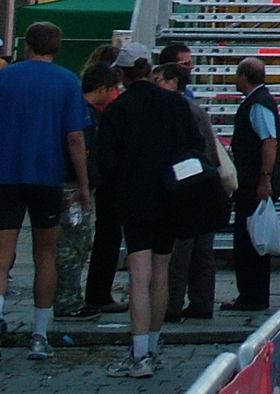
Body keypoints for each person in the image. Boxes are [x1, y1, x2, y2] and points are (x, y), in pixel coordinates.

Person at [0, 22, 91, 367]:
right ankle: (40, 336)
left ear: (27, 44)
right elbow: (74, 138)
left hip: (7, 175)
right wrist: (83, 183)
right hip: (47, 176)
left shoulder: (5, 77)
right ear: (57, 47)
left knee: (0, 256)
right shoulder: (68, 81)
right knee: (45, 255)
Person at [93, 44, 197, 378]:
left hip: (134, 198)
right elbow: (193, 147)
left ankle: (139, 355)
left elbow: (104, 162)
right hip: (171, 195)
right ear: (149, 68)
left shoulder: (118, 110)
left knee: (138, 275)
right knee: (160, 273)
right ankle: (153, 345)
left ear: (121, 74)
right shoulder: (176, 104)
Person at [155, 63, 224, 322]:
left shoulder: (177, 109)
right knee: (202, 250)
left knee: (181, 250)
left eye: (160, 79)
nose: (157, 84)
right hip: (203, 182)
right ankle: (202, 302)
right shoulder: (194, 108)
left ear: (174, 82)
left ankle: (172, 305)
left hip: (187, 183)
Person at [54, 64, 119, 322]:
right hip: (72, 185)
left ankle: (67, 297)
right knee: (73, 244)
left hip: (64, 181)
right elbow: (80, 147)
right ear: (102, 88)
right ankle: (68, 300)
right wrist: (85, 182)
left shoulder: (73, 108)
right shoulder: (87, 115)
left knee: (72, 243)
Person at [225, 58, 280, 313]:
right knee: (252, 238)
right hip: (252, 181)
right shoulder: (260, 102)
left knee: (251, 241)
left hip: (253, 183)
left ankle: (252, 295)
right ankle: (252, 293)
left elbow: (269, 142)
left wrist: (264, 178)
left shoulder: (257, 105)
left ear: (244, 77)